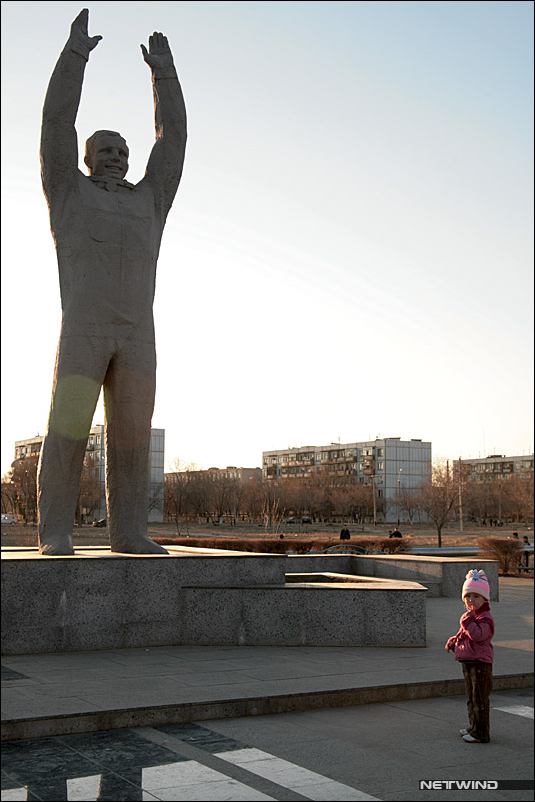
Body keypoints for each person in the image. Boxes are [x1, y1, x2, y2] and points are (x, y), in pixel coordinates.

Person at [37, 10, 187, 554]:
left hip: (136, 339)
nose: (120, 156)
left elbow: (173, 145)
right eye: (108, 149)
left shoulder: (150, 201)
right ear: (86, 158)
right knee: (68, 434)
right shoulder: (69, 194)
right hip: (84, 335)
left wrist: (164, 78)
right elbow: (56, 124)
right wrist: (74, 55)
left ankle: (130, 531)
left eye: (124, 150)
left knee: (131, 440)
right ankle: (55, 530)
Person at [444, 569, 494, 743]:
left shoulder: (485, 618)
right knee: (471, 698)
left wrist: (467, 622)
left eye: (476, 596)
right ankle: (473, 727)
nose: (471, 600)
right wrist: (453, 641)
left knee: (479, 699)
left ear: (485, 598)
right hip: (469, 661)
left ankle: (481, 733)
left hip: (480, 664)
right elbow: (463, 634)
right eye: (468, 596)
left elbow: (478, 635)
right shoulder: (472, 616)